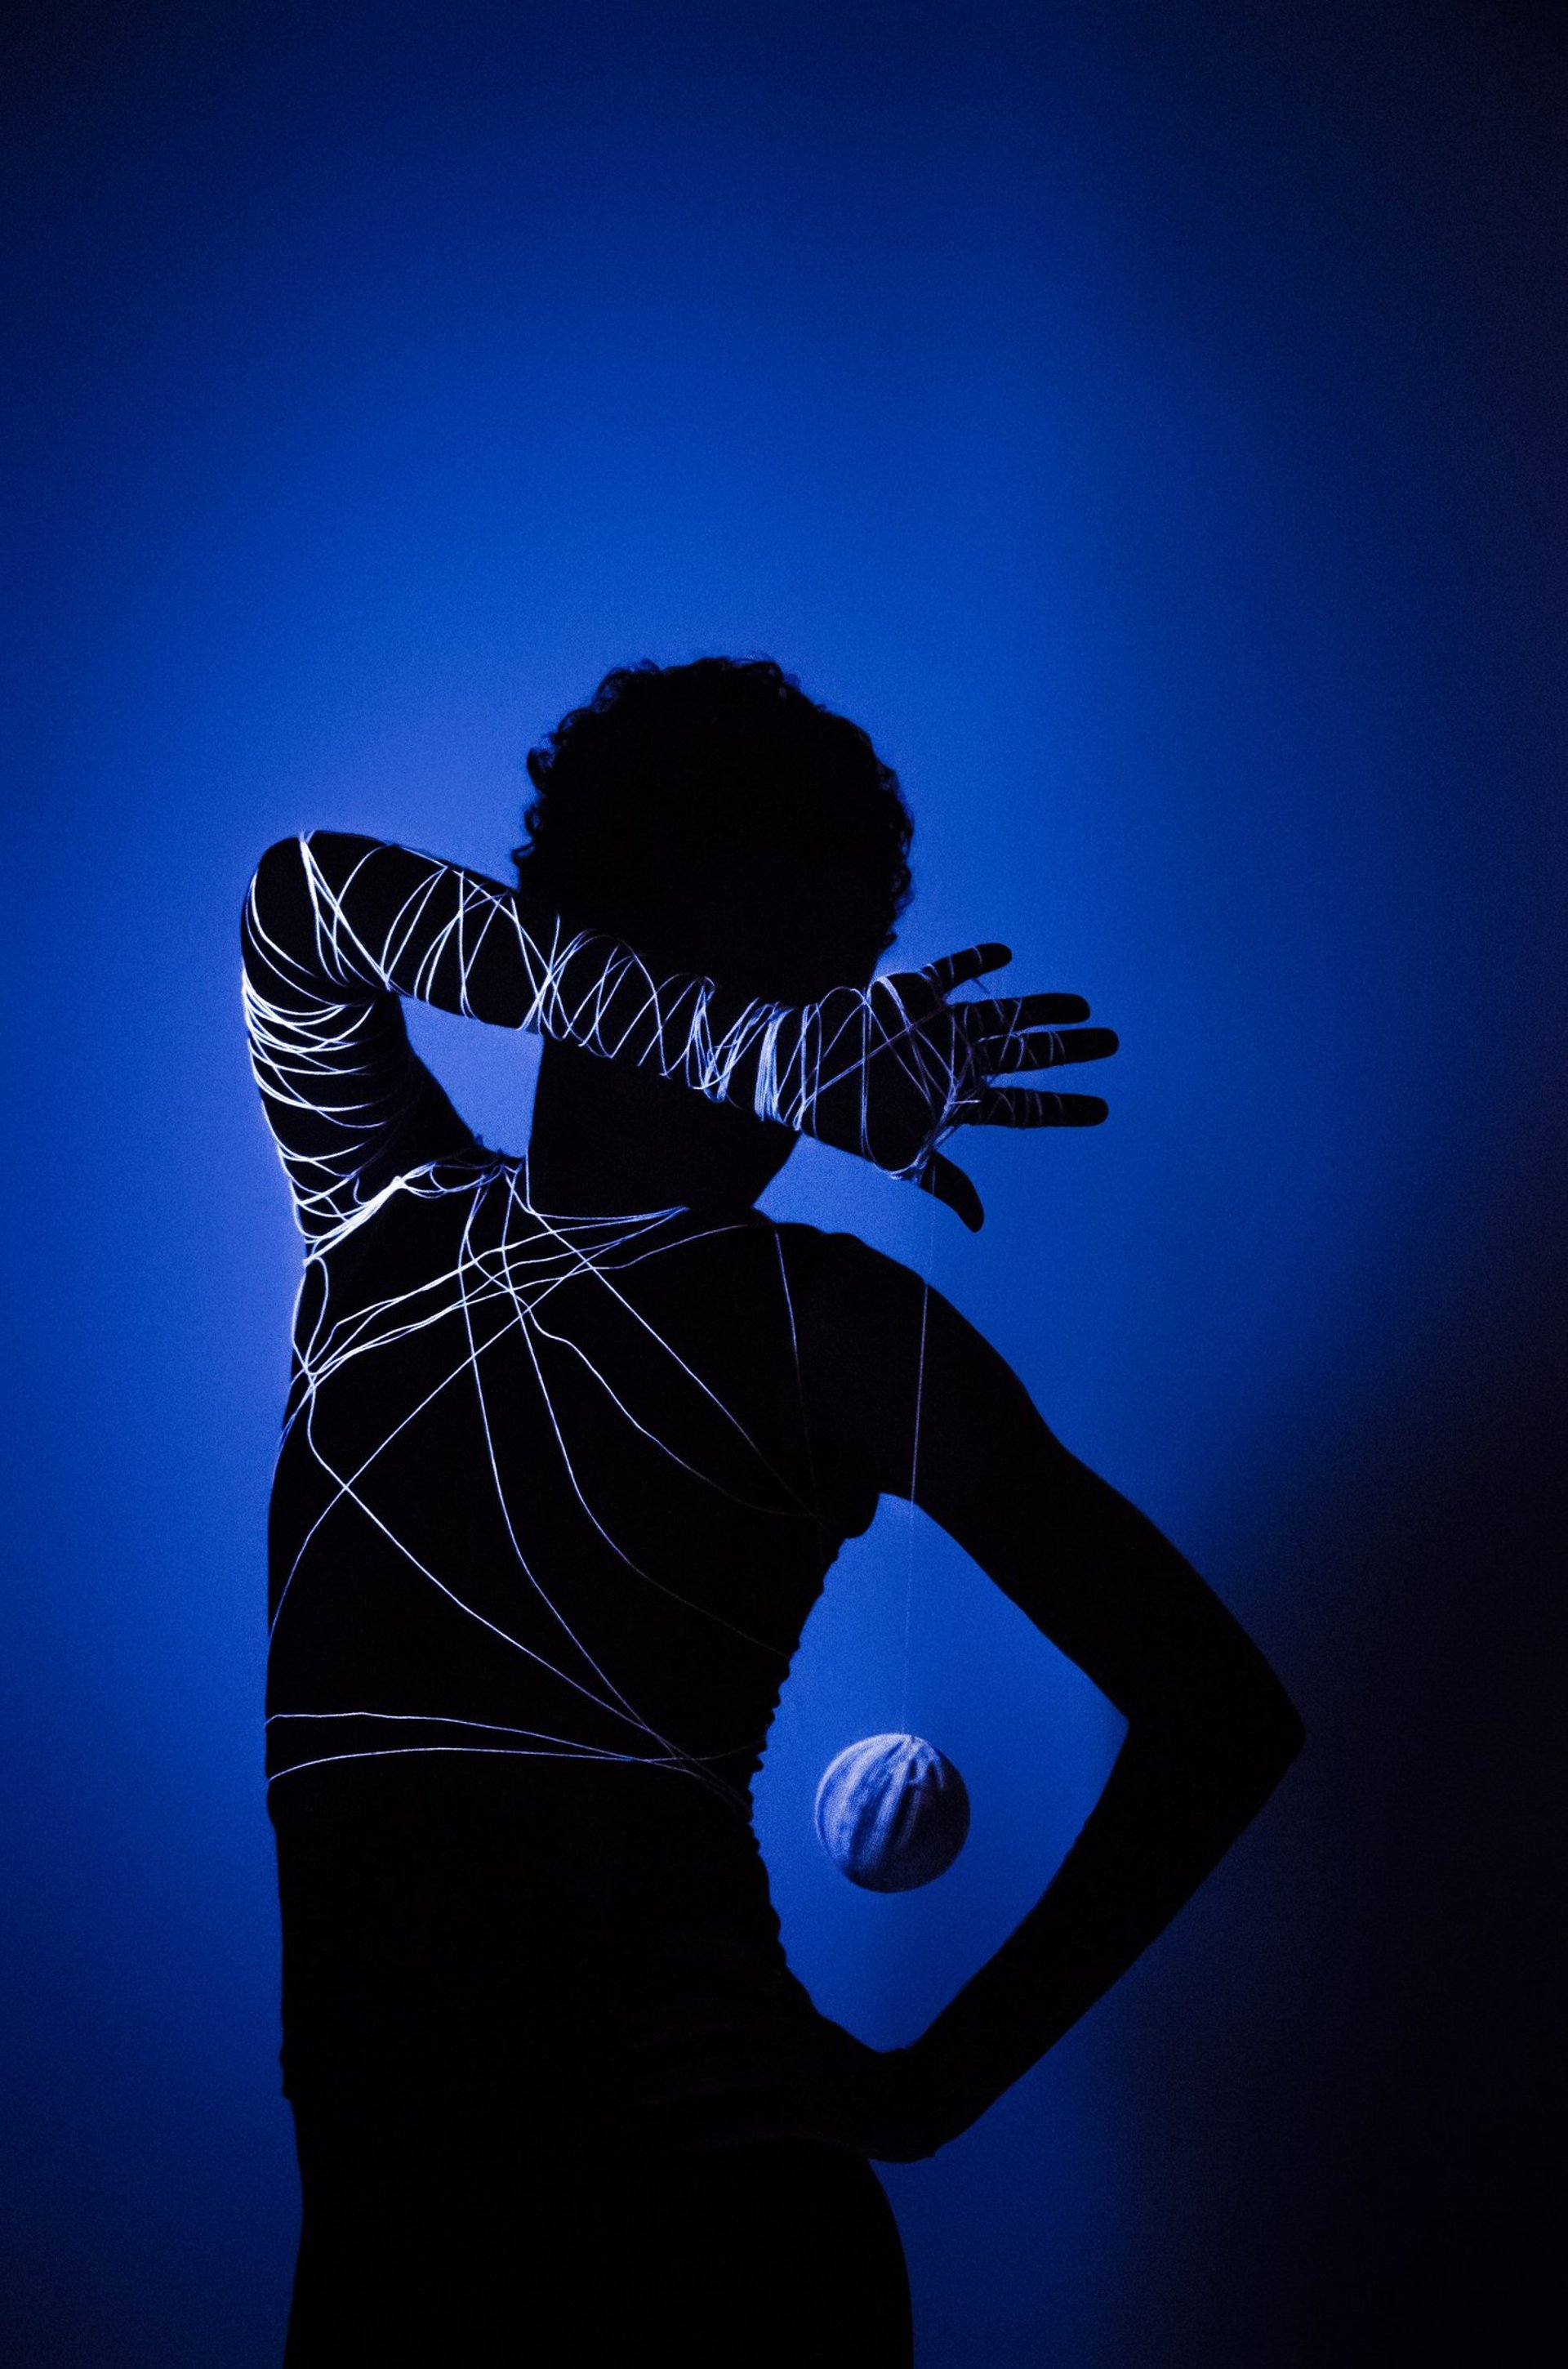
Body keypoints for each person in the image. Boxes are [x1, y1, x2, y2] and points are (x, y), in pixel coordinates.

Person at [243, 657, 1302, 2366]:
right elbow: (303, 903)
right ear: (558, 940)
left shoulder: (836, 1328)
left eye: (821, 1001)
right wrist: (751, 1048)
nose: (795, 1076)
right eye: (740, 990)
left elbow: (1223, 1711)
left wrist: (935, 2084)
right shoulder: (379, 1217)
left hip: (716, 2262)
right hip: (376, 2268)